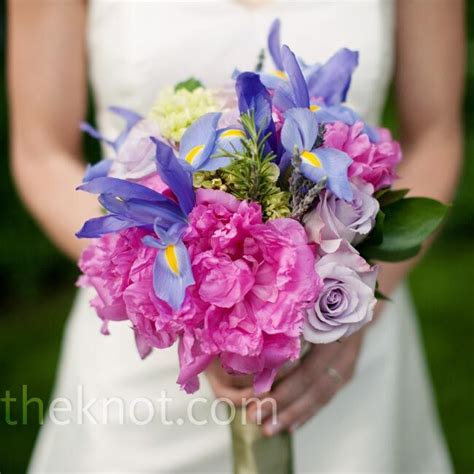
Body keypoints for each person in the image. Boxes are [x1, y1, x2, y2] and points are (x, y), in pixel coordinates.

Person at [8, 0, 464, 472]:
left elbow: (436, 134)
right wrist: (187, 309)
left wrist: (354, 307)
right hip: (148, 365)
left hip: (349, 355)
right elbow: (40, 152)